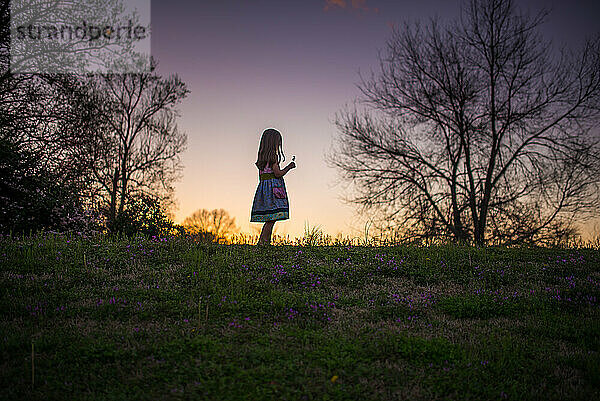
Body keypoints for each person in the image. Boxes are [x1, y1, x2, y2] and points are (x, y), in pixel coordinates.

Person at [250, 128, 296, 245]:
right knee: (272, 217)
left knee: (270, 218)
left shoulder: (262, 158)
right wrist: (289, 167)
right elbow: (277, 173)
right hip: (273, 191)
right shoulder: (273, 157)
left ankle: (264, 241)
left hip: (264, 191)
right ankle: (264, 242)